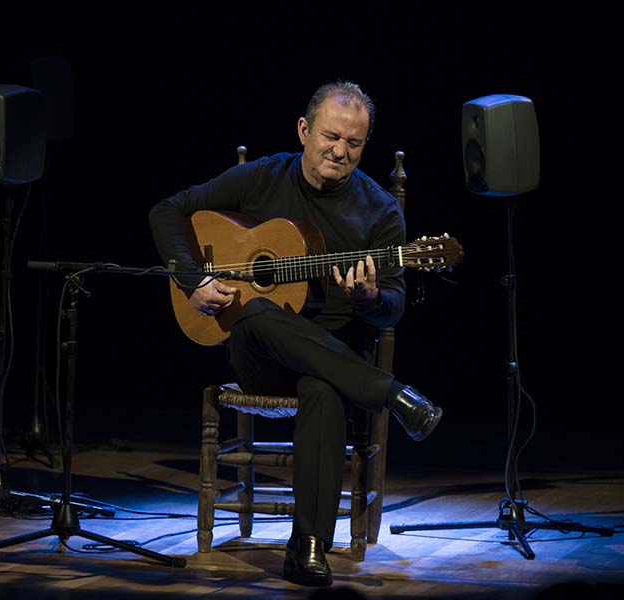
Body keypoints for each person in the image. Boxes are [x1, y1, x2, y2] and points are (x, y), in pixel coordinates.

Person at [148, 81, 442, 587]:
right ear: (304, 131)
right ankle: (391, 395)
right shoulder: (263, 177)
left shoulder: (380, 212)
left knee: (324, 390)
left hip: (332, 360)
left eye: (354, 143)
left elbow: (391, 308)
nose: (340, 151)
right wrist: (192, 278)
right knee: (259, 309)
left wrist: (369, 298)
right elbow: (167, 210)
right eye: (331, 137)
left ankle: (307, 547)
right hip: (257, 350)